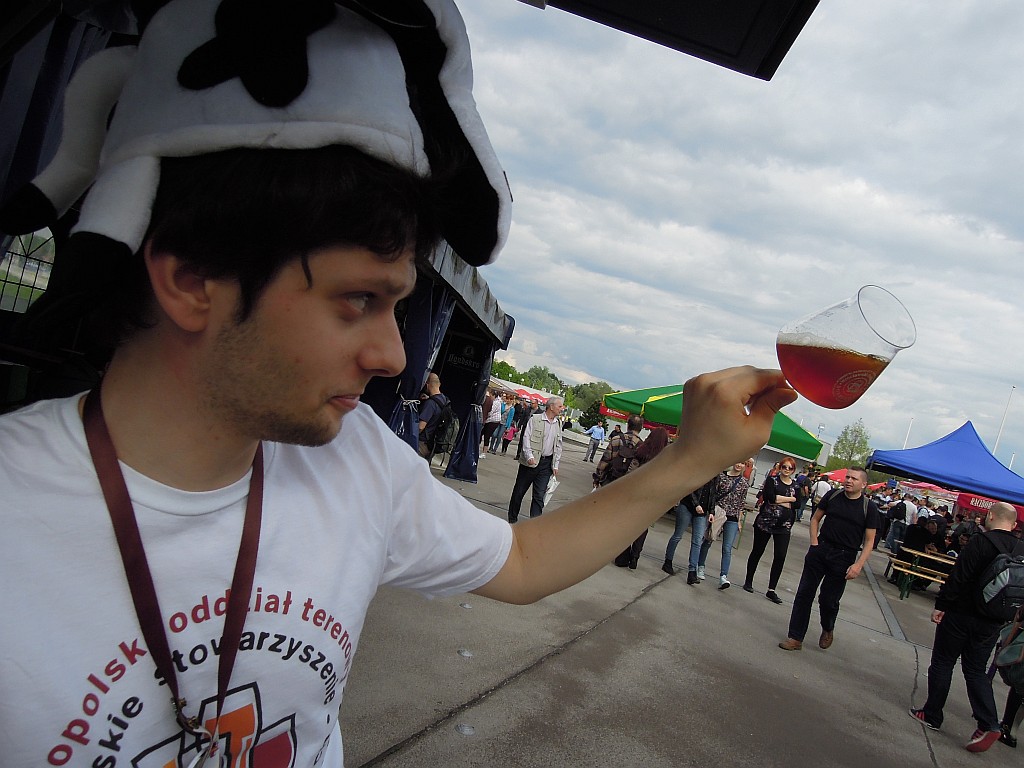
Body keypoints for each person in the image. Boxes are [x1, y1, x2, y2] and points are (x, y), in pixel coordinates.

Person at [0, 0, 799, 764]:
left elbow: (521, 561)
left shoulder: (355, 458)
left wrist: (693, 459)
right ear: (191, 280)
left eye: (398, 307)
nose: (393, 357)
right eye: (358, 301)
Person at [909, 502, 1024, 752]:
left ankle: (932, 714)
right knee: (975, 671)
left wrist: (942, 605)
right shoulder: (1020, 549)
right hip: (993, 621)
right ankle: (989, 723)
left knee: (943, 662)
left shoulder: (979, 542)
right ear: (1014, 524)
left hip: (961, 614)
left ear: (990, 516)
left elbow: (958, 577)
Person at [778, 467, 880, 651]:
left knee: (828, 600)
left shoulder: (869, 508)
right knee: (804, 594)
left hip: (844, 556)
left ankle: (828, 627)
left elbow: (869, 540)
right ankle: (795, 637)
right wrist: (814, 542)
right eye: (847, 477)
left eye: (854, 479)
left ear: (864, 484)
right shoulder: (833, 496)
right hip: (821, 549)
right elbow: (815, 519)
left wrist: (858, 565)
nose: (848, 481)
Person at [742, 456, 799, 604]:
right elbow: (770, 498)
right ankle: (748, 580)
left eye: (790, 468)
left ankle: (771, 589)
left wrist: (783, 500)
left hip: (784, 526)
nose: (787, 470)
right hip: (765, 522)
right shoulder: (772, 480)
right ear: (780, 467)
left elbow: (798, 504)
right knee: (757, 551)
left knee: (780, 556)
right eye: (784, 466)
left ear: (793, 470)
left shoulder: (796, 486)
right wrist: (790, 499)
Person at [613, 427, 670, 569]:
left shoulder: (641, 451)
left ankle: (623, 556)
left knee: (628, 524)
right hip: (652, 498)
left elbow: (631, 472)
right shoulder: (666, 458)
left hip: (636, 493)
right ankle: (635, 556)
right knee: (643, 526)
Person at [507, 396, 565, 522]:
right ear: (551, 407)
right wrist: (529, 456)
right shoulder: (535, 419)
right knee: (519, 491)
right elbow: (526, 438)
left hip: (546, 465)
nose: (562, 409)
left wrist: (555, 465)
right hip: (531, 463)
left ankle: (535, 523)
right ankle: (512, 519)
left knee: (539, 496)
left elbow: (558, 445)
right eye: (560, 406)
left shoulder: (558, 423)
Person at [697, 461, 750, 589]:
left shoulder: (744, 482)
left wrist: (739, 520)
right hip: (719, 513)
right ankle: (700, 566)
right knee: (708, 539)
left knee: (727, 547)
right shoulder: (721, 476)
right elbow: (713, 495)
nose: (739, 465)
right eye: (738, 462)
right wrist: (711, 512)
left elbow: (741, 502)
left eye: (743, 463)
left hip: (733, 517)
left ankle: (723, 576)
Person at [663, 474, 717, 584]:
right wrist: (696, 504)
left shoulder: (715, 475)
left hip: (702, 512)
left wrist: (712, 511)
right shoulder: (698, 470)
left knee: (697, 541)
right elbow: (689, 488)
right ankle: (668, 561)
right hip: (687, 506)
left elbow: (713, 494)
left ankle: (692, 571)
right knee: (678, 535)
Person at [594, 415, 644, 488]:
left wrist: (597, 478)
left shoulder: (616, 439)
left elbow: (605, 460)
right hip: (628, 485)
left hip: (610, 480)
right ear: (641, 428)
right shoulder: (642, 446)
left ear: (628, 425)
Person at [417, 372, 449, 459]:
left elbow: (421, 427)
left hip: (422, 444)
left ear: (427, 385)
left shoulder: (430, 404)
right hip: (433, 444)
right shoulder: (445, 400)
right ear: (439, 384)